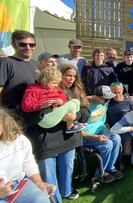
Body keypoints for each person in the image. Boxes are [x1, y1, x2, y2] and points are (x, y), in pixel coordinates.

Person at [25, 64, 89, 202]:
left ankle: (66, 191)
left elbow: (86, 111)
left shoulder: (76, 91)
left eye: (74, 76)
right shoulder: (37, 89)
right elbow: (28, 113)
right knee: (49, 174)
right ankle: (56, 200)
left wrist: (75, 116)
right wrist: (45, 109)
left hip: (68, 137)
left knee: (67, 166)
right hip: (45, 140)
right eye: (68, 75)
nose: (71, 79)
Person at [0, 109, 56, 203]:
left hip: (18, 185)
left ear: (4, 121)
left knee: (41, 200)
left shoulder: (19, 140)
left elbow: (28, 163)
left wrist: (38, 182)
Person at [81, 85, 123, 183]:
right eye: (105, 99)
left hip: (101, 131)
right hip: (88, 136)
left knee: (116, 138)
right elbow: (76, 129)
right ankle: (99, 174)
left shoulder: (105, 102)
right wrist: (94, 137)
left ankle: (110, 168)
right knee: (107, 144)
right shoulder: (84, 105)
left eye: (109, 98)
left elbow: (119, 97)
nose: (108, 101)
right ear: (97, 97)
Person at [22, 68, 84, 133]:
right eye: (54, 83)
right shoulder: (33, 90)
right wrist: (41, 105)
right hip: (44, 118)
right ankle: (70, 127)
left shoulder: (56, 88)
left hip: (55, 113)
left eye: (57, 83)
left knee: (76, 101)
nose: (56, 85)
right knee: (72, 104)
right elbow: (26, 107)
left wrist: (62, 102)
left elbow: (63, 98)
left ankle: (71, 124)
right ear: (45, 81)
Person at [0, 30, 38, 110]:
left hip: (33, 114)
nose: (28, 47)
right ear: (14, 45)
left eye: (32, 45)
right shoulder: (6, 62)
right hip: (11, 114)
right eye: (22, 44)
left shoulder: (37, 64)